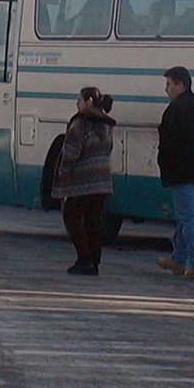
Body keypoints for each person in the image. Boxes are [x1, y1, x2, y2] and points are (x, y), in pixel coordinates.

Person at [156, 66, 194, 280]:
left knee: (189, 218)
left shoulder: (173, 111)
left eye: (169, 84)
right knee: (186, 218)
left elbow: (166, 146)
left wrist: (165, 170)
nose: (166, 89)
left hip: (181, 174)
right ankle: (178, 260)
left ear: (181, 84)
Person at [52, 86, 115, 275]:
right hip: (102, 181)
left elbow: (71, 153)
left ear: (88, 101)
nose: (76, 104)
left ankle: (84, 258)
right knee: (93, 222)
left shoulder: (79, 124)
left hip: (81, 182)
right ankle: (94, 262)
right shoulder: (106, 124)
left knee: (71, 218)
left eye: (79, 100)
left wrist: (63, 174)